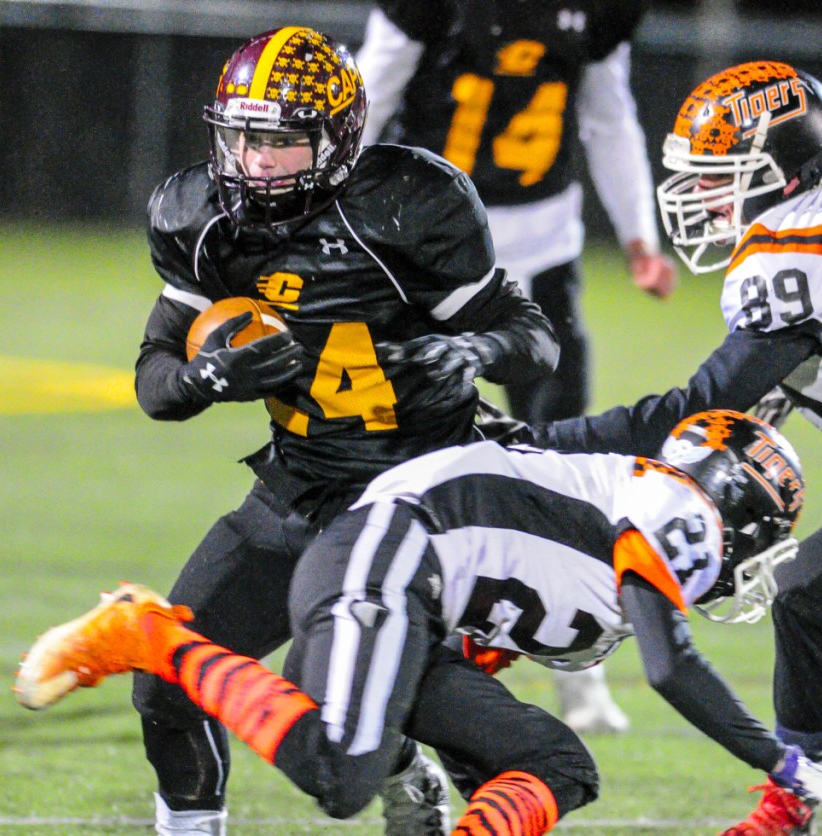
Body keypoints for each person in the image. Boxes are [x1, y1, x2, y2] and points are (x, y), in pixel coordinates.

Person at [518, 60, 822, 835]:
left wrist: (537, 442)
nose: (703, 198)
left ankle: (790, 806)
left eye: (722, 179)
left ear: (787, 174)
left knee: (810, 592)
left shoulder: (801, 253)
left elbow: (694, 409)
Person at [17, 410, 822, 836]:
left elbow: (468, 661)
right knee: (341, 776)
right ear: (734, 508)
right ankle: (144, 634)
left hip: (400, 600)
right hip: (382, 559)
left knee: (557, 762)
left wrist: (445, 764)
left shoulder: (620, 520)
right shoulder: (678, 509)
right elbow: (671, 668)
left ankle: (366, 745)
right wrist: (783, 762)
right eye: (766, 535)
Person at [131, 25, 559, 836]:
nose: (256, 160)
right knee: (166, 679)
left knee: (429, 727)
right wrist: (207, 378)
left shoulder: (407, 205)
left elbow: (534, 337)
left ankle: (414, 767)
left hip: (415, 506)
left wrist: (474, 346)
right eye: (242, 137)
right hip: (298, 490)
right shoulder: (200, 216)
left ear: (337, 138)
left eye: (283, 141)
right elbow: (157, 382)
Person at [355, 0, 677, 736]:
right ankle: (385, 641)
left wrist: (638, 235)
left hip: (541, 249)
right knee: (402, 458)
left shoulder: (594, 15)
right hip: (428, 250)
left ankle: (582, 670)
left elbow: (606, 114)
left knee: (570, 462)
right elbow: (369, 93)